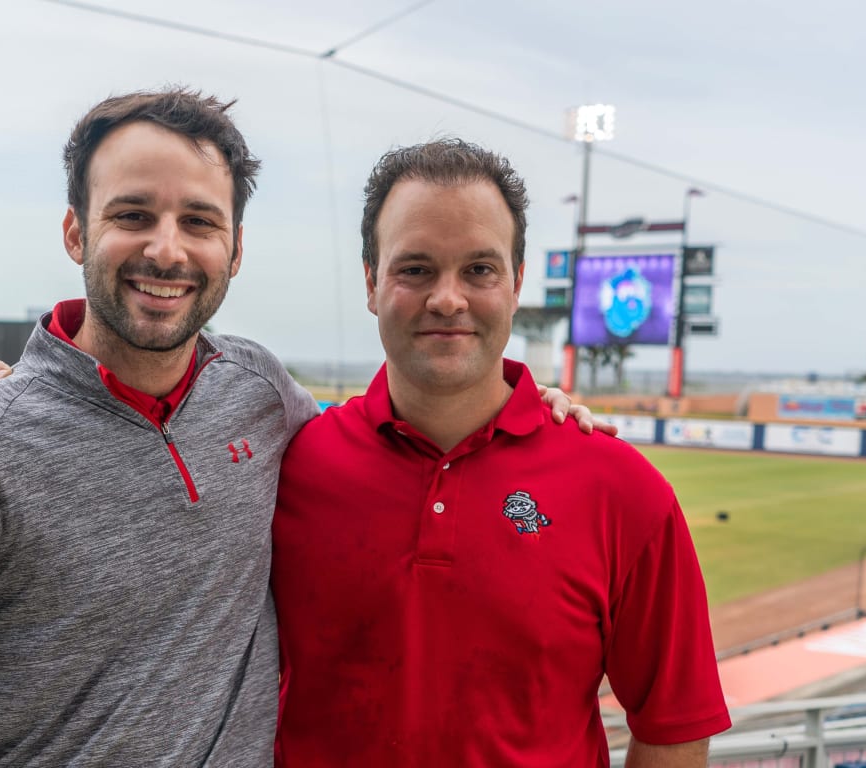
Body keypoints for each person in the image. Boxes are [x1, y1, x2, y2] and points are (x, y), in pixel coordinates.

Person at [0, 88, 602, 767]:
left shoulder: (262, 392)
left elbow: (397, 436)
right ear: (75, 232)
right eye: (132, 215)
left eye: (199, 222)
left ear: (236, 250)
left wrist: (532, 407)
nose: (167, 249)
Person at [270, 139, 730, 766]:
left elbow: (673, 726)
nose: (448, 299)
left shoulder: (623, 489)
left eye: (479, 270)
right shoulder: (290, 466)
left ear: (515, 285)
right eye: (416, 269)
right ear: (372, 282)